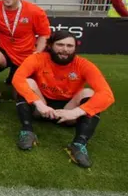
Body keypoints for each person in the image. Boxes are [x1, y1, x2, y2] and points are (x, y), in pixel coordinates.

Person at [12, 32, 115, 168]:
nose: (65, 49)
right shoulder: (37, 58)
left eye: (69, 46)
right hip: (42, 107)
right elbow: (17, 79)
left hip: (68, 110)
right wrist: (39, 104)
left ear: (75, 48)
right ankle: (27, 131)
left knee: (89, 92)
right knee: (28, 82)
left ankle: (79, 144)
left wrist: (76, 112)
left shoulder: (83, 64)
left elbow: (107, 94)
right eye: (60, 45)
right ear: (50, 45)